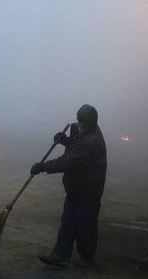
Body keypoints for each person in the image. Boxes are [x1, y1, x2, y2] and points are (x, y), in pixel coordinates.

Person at [30, 104, 107, 268]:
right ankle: (60, 255)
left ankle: (87, 258)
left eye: (82, 122)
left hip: (89, 191)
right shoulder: (88, 132)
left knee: (85, 225)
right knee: (68, 222)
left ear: (90, 122)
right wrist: (64, 141)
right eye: (79, 121)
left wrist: (42, 167)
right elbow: (76, 145)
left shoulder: (92, 141)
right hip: (77, 189)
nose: (79, 124)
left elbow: (68, 161)